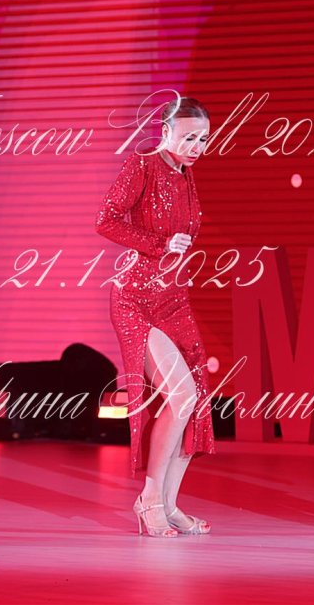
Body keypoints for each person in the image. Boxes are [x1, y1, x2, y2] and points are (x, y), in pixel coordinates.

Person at [95, 96, 216, 537]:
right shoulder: (142, 165)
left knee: (194, 400)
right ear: (164, 132)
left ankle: (170, 502)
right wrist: (159, 244)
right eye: (188, 137)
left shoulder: (186, 175)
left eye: (203, 139)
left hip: (174, 300)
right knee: (180, 396)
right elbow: (106, 220)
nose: (197, 146)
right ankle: (149, 500)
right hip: (136, 298)